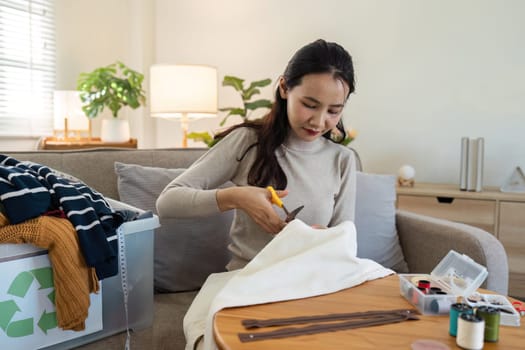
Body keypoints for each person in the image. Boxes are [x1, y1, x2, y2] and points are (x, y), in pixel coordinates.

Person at [156, 38, 358, 350]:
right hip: (246, 284)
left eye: (334, 110)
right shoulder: (246, 143)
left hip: (312, 287)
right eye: (310, 104)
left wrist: (321, 238)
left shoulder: (342, 160)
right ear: (284, 88)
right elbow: (168, 202)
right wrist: (236, 197)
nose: (319, 122)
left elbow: (345, 241)